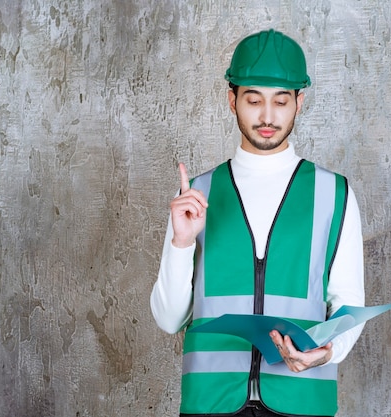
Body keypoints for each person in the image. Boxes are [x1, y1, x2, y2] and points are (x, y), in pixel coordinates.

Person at [151, 29, 365, 417]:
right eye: (253, 100)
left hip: (302, 402)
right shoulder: (198, 195)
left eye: (280, 101)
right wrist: (181, 243)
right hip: (210, 403)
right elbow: (168, 320)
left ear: (299, 102)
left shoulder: (334, 194)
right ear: (232, 100)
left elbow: (349, 306)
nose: (267, 116)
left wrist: (328, 352)